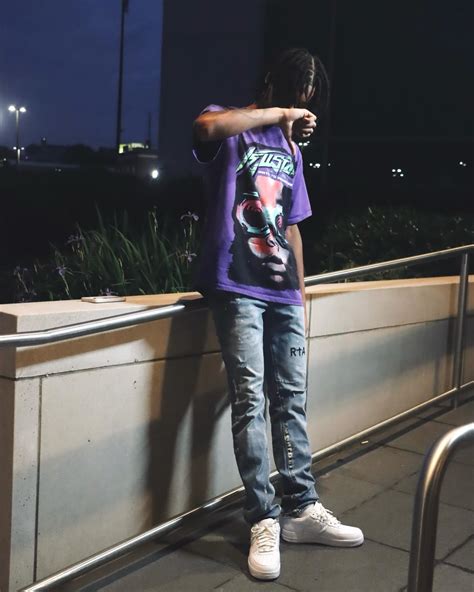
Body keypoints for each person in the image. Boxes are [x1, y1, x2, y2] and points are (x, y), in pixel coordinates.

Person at [192, 47, 364, 581]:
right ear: (271, 88)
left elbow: (292, 226)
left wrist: (301, 295)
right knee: (250, 400)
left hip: (282, 291)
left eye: (307, 101)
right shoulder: (233, 128)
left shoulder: (291, 151)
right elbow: (205, 128)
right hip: (236, 283)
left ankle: (300, 509)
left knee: (291, 397)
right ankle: (263, 517)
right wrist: (279, 115)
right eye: (294, 97)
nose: (301, 109)